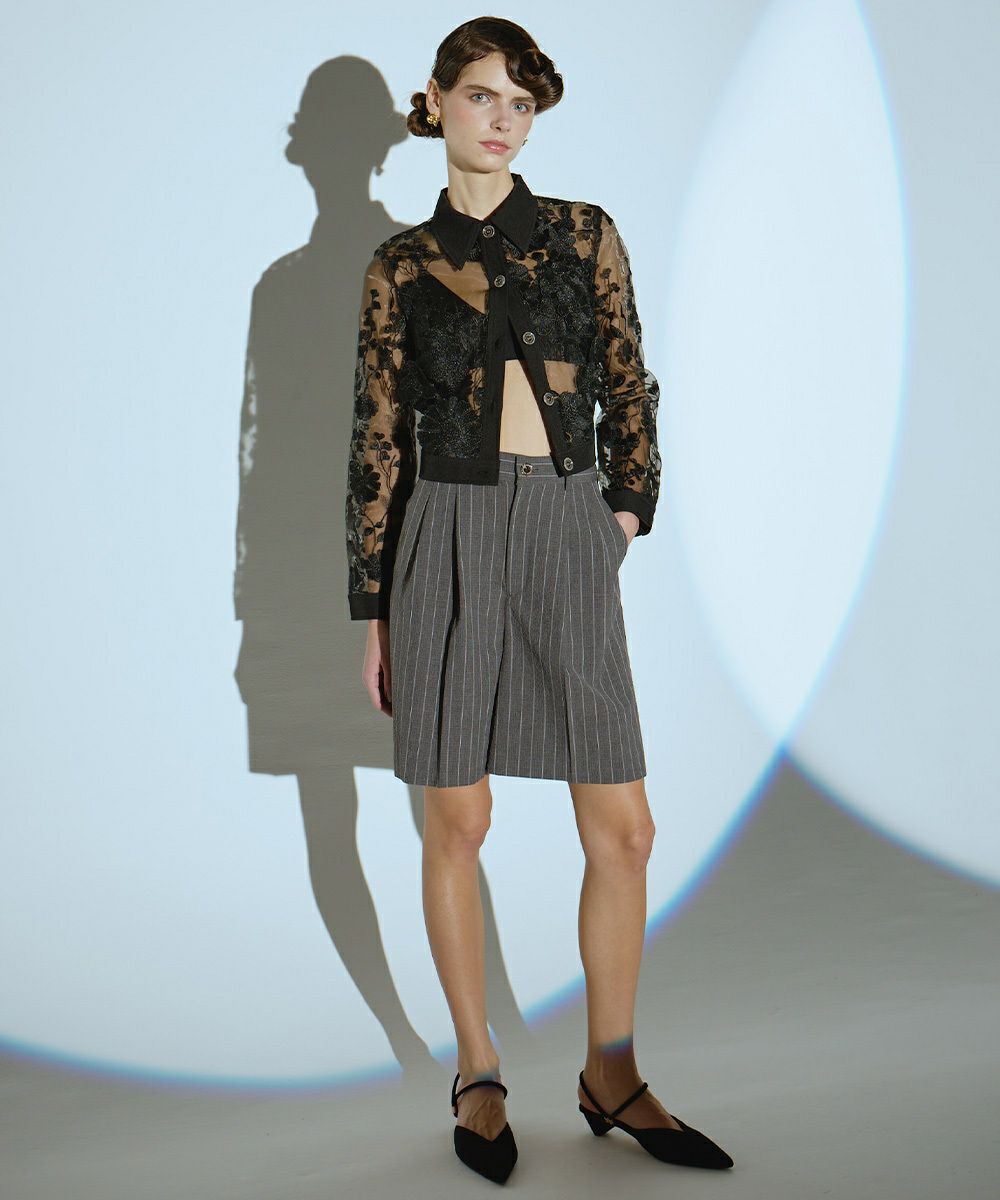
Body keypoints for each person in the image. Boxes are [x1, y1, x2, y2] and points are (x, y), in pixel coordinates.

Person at [345, 15, 733, 1184]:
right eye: (481, 96)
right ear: (434, 102)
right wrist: (372, 607)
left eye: (520, 103)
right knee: (457, 823)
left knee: (625, 830)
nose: (503, 120)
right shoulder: (400, 265)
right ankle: (478, 1071)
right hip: (447, 534)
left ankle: (611, 1071)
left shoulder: (581, 234)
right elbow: (375, 441)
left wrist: (623, 512)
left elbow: (627, 377)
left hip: (567, 523)